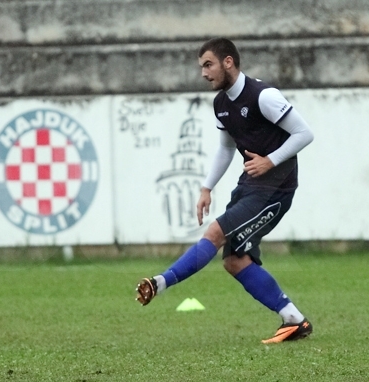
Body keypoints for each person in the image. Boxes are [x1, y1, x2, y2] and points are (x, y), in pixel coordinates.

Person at [135, 37, 315, 344]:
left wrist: (270, 160)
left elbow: (304, 133)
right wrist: (206, 188)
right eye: (202, 67)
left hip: (276, 189)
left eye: (208, 65)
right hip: (250, 186)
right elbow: (225, 149)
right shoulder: (221, 104)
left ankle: (161, 282)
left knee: (215, 233)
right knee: (234, 261)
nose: (204, 73)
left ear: (228, 62)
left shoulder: (264, 96)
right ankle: (294, 320)